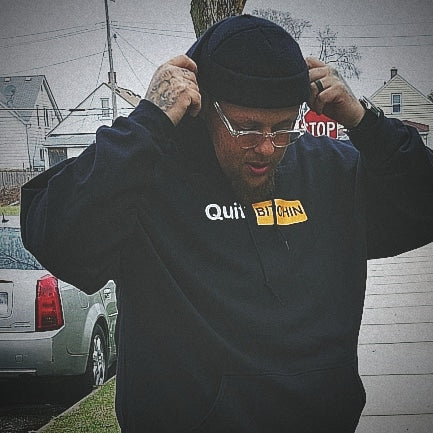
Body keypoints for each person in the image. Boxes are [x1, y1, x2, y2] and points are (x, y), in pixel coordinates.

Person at [21, 14, 433, 433]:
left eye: (283, 127)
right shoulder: (148, 177)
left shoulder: (332, 173)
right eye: (246, 128)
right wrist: (149, 121)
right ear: (205, 110)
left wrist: (365, 122)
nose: (267, 147)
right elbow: (56, 235)